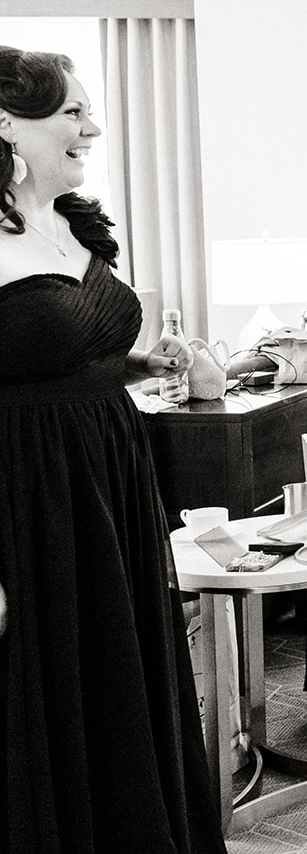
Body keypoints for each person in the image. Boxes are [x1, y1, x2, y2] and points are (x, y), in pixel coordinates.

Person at [0, 47, 224, 852]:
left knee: (121, 674)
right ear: (6, 125)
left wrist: (135, 361)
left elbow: (49, 351)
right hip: (30, 494)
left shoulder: (72, 223)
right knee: (53, 685)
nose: (92, 127)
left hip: (110, 476)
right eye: (72, 112)